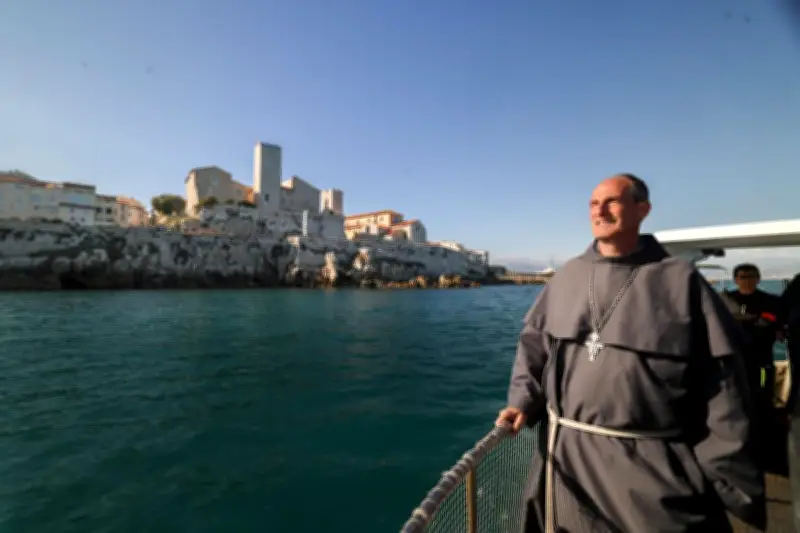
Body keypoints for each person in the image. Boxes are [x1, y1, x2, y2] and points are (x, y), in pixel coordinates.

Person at [496, 174, 765, 533]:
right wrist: (521, 401)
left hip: (653, 466)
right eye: (594, 204)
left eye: (612, 202)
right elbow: (533, 352)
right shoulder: (567, 277)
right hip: (568, 459)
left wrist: (725, 473)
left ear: (643, 210)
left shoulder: (680, 280)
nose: (600, 210)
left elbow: (722, 387)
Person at [718, 264, 782, 465]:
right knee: (736, 402)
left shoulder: (770, 301)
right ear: (735, 279)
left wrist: (751, 320)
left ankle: (767, 447)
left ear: (758, 278)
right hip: (735, 362)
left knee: (763, 400)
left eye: (751, 276)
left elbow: (773, 321)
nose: (746, 279)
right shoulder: (725, 301)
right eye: (742, 276)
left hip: (761, 361)